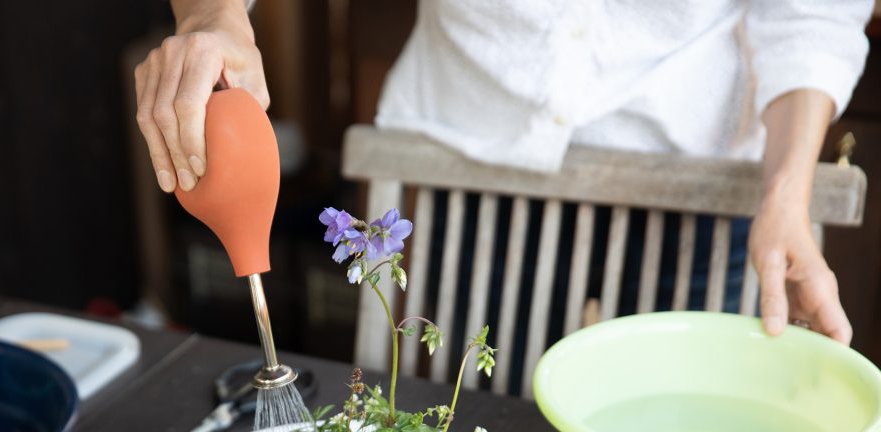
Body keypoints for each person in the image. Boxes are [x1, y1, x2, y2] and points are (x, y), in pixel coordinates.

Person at [134, 0, 873, 345]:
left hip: (703, 178)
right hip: (470, 159)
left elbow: (811, 14)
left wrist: (786, 194)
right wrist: (212, 17)